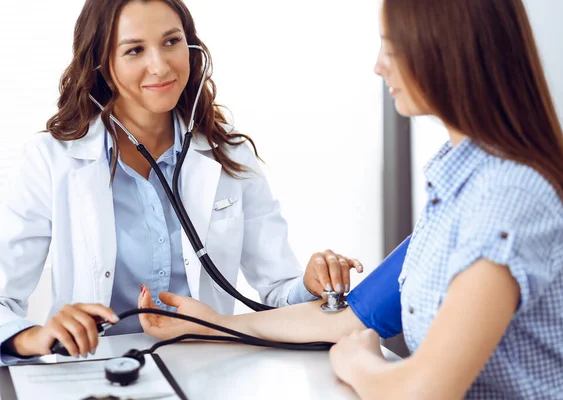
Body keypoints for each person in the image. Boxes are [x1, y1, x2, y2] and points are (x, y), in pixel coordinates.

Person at [138, 0, 563, 398]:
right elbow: (346, 318)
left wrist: (357, 361)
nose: (379, 65)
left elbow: (422, 391)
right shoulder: (459, 184)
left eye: (393, 47)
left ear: (448, 52)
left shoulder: (507, 200)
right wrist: (206, 325)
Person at [0, 0, 364, 365]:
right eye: (134, 50)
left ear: (191, 48)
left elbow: (275, 290)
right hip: (92, 372)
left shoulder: (229, 156)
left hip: (208, 368)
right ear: (101, 66)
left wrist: (311, 284)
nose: (160, 66)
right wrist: (31, 336)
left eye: (171, 41)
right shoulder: (52, 161)